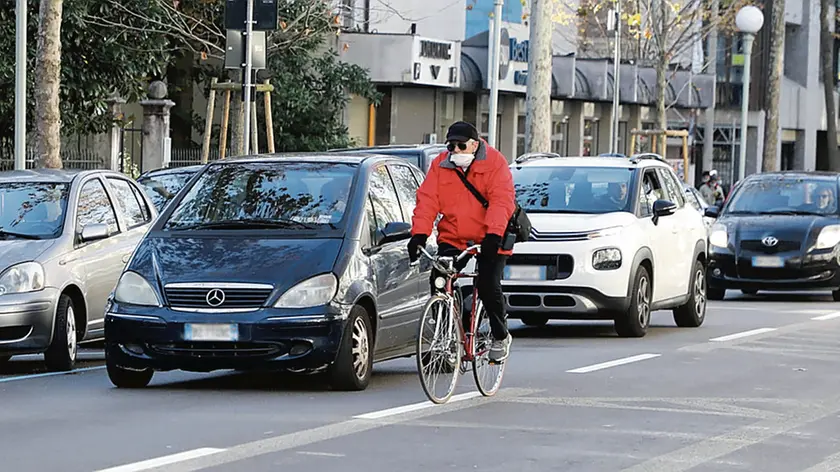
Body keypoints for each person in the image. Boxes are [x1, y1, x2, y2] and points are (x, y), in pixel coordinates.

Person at [407, 121, 516, 363]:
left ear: (475, 145)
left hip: (490, 235)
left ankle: (500, 335)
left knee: (488, 283)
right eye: (451, 146)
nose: (455, 150)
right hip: (454, 235)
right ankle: (448, 332)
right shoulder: (440, 165)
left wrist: (494, 234)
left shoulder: (495, 163)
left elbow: (502, 200)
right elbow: (427, 200)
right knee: (439, 277)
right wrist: (420, 234)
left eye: (461, 146)